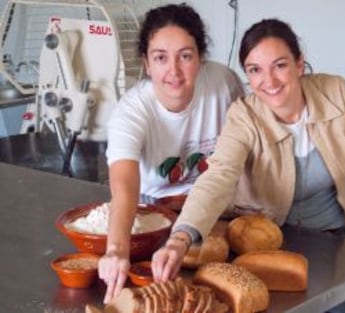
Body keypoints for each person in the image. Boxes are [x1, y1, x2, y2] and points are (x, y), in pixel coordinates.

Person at [151, 18, 345, 313]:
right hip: (267, 247)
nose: (270, 81)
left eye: (279, 65)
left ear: (299, 64)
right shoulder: (244, 116)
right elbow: (219, 176)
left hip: (338, 244)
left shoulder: (335, 94)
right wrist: (180, 238)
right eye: (255, 70)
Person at [98, 3, 244, 304]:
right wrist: (116, 249)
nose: (173, 71)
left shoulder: (223, 84)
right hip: (155, 220)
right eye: (160, 58)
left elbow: (245, 145)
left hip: (216, 211)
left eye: (185, 56)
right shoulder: (131, 112)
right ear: (147, 63)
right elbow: (124, 186)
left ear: (201, 58)